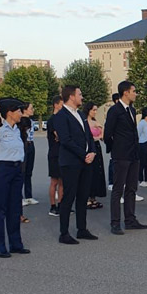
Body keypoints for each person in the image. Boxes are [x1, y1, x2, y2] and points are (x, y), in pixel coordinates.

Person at [0, 98, 31, 258]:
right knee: (0, 209)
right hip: (2, 170)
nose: (21, 114)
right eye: (18, 111)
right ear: (10, 113)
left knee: (15, 208)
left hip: (17, 170)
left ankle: (15, 244)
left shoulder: (17, 130)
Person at [103, 81, 147, 235]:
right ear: (126, 92)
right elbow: (107, 134)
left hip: (133, 154)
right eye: (133, 91)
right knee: (118, 189)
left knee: (131, 188)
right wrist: (115, 148)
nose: (136, 94)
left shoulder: (132, 110)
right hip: (121, 155)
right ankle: (115, 222)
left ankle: (130, 220)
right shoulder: (115, 110)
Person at [54, 85, 98, 244]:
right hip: (71, 162)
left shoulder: (80, 114)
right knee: (69, 197)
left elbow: (89, 137)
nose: (82, 97)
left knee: (83, 196)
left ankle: (82, 229)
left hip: (86, 162)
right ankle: (64, 233)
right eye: (80, 94)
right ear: (71, 96)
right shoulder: (61, 116)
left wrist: (92, 152)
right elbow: (66, 140)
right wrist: (84, 154)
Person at [84, 103, 107, 210]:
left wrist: (101, 130)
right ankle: (87, 197)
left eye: (96, 110)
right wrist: (96, 137)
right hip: (89, 148)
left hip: (97, 147)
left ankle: (93, 196)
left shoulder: (95, 122)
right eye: (93, 110)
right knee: (89, 172)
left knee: (97, 171)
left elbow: (102, 136)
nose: (95, 112)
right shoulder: (85, 122)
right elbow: (86, 137)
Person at [46, 96, 64, 217]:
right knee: (54, 181)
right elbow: (59, 135)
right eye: (61, 104)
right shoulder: (52, 120)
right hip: (54, 153)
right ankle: (53, 206)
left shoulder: (62, 119)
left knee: (62, 181)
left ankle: (61, 205)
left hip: (62, 153)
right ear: (56, 105)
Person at [19, 104, 38, 208]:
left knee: (29, 171)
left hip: (31, 144)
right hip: (23, 144)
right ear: (25, 110)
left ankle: (28, 195)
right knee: (22, 171)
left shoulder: (31, 120)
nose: (33, 110)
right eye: (31, 108)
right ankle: (20, 196)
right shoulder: (20, 120)